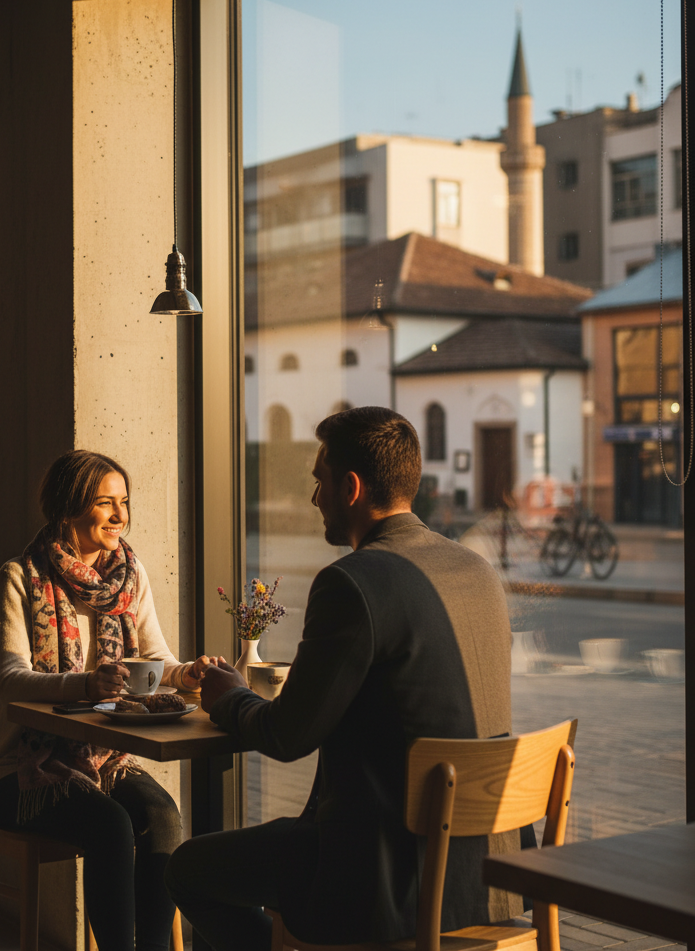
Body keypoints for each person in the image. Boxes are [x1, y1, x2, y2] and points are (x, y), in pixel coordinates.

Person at [165, 407, 519, 950]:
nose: (314, 497)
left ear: (350, 487)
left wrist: (230, 697)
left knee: (188, 868)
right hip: (491, 877)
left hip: (385, 878)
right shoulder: (478, 571)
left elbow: (287, 736)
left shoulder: (351, 583)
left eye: (318, 481)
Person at [0, 449, 212, 951]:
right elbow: (13, 680)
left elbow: (155, 659)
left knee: (163, 817)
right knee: (110, 825)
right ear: (68, 509)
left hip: (103, 758)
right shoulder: (20, 577)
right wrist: (86, 684)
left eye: (123, 502)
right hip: (17, 769)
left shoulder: (130, 575)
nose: (121, 516)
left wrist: (185, 674)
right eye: (105, 503)